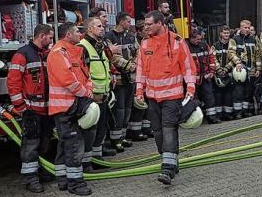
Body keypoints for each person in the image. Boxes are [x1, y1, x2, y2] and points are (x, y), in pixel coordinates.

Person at [135, 10, 197, 185]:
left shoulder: (177, 42)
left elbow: (188, 67)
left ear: (160, 23)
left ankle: (168, 169)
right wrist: (139, 91)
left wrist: (190, 88)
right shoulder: (145, 43)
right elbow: (141, 70)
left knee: (169, 128)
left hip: (172, 95)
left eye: (149, 25)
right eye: (144, 25)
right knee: (157, 131)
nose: (145, 28)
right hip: (152, 97)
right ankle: (169, 159)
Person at [6, 24, 54, 193]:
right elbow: (13, 83)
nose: (51, 40)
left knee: (45, 143)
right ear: (41, 36)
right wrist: (21, 106)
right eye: (50, 37)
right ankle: (30, 178)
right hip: (31, 109)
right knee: (31, 145)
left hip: (48, 109)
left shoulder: (48, 54)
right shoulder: (22, 54)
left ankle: (42, 171)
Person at [48, 22, 94, 196]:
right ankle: (75, 184)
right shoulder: (58, 53)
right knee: (73, 145)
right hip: (66, 106)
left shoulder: (73, 51)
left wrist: (88, 87)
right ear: (67, 34)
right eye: (77, 32)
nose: (80, 34)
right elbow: (68, 80)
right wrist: (86, 93)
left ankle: (63, 179)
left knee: (65, 143)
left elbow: (85, 74)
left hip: (71, 105)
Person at [79, 18, 116, 170]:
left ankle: (97, 158)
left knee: (101, 129)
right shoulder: (83, 47)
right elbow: (82, 72)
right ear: (89, 29)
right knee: (90, 131)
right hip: (92, 97)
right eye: (99, 26)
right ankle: (86, 163)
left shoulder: (100, 46)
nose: (103, 28)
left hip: (103, 95)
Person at [105, 12, 141, 150]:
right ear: (120, 21)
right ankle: (115, 139)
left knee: (127, 109)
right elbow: (112, 56)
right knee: (118, 110)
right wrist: (129, 66)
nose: (130, 24)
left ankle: (123, 136)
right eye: (127, 21)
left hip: (130, 79)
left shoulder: (131, 36)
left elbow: (139, 51)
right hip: (118, 80)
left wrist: (136, 63)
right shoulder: (110, 37)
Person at [228, 20, 261, 118]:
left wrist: (258, 68)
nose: (247, 30)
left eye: (248, 28)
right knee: (238, 92)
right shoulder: (234, 39)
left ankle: (246, 111)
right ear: (240, 28)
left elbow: (257, 55)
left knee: (248, 92)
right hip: (240, 71)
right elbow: (231, 53)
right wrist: (238, 62)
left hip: (251, 70)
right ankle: (237, 113)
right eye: (245, 28)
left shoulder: (253, 39)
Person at [187, 27, 219, 123]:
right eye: (197, 39)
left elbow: (211, 58)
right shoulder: (186, 47)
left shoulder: (204, 45)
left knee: (209, 97)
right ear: (191, 38)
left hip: (205, 77)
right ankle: (196, 119)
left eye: (200, 39)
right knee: (194, 100)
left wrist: (212, 71)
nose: (199, 41)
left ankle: (212, 117)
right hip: (192, 80)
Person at [212, 25, 235, 121]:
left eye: (228, 33)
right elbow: (213, 58)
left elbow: (234, 57)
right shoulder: (215, 46)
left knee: (228, 94)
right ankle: (219, 114)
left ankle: (228, 114)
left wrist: (226, 69)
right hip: (218, 74)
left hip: (228, 73)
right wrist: (218, 69)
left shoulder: (232, 45)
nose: (226, 35)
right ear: (220, 33)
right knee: (218, 95)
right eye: (225, 33)